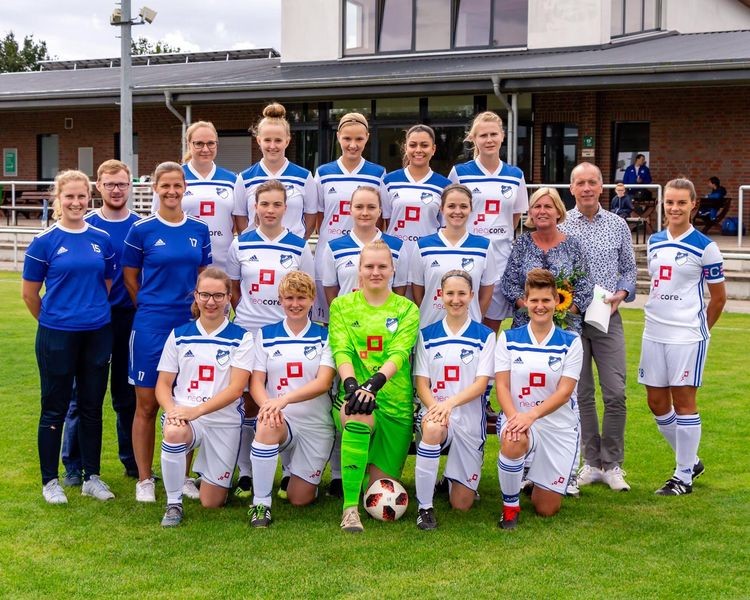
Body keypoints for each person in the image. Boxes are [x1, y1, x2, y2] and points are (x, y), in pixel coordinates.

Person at [22, 169, 116, 504]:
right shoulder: (43, 242)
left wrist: (87, 313)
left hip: (97, 333)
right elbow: (30, 294)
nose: (76, 202)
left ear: (89, 197)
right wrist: (56, 320)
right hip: (57, 336)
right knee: (54, 408)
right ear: (58, 199)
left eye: (81, 196)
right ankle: (50, 481)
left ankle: (92, 477)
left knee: (92, 407)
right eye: (69, 196)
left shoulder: (102, 239)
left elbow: (106, 284)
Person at [122, 161, 212, 503]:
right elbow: (130, 278)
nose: (172, 191)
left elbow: (203, 275)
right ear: (155, 188)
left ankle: (184, 476)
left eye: (177, 185)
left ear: (185, 188)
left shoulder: (199, 229)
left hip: (188, 325)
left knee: (186, 401)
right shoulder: (141, 230)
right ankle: (145, 478)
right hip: (151, 326)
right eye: (166, 186)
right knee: (146, 405)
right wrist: (149, 306)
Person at [226, 178, 314, 499]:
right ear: (255, 207)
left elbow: (305, 290)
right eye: (264, 204)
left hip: (285, 333)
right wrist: (251, 318)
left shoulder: (299, 245)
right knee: (248, 402)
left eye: (277, 204)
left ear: (286, 208)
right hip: (249, 332)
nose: (270, 210)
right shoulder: (240, 244)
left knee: (285, 398)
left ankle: (289, 472)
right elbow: (235, 290)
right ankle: (246, 472)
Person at [639, 178, 726, 496]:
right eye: (670, 202)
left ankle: (683, 476)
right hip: (653, 331)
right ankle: (692, 461)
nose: (674, 208)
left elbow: (718, 298)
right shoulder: (655, 241)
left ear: (693, 205)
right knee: (656, 402)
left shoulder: (706, 247)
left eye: (681, 203)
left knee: (684, 402)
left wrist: (699, 331)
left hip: (686, 336)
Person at [328, 240, 420, 533]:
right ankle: (349, 511)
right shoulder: (342, 306)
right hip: (354, 397)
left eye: (382, 266)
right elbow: (341, 350)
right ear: (360, 269)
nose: (375, 272)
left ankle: (361, 477)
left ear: (393, 269)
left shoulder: (407, 309)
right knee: (358, 413)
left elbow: (399, 353)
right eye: (369, 266)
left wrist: (373, 384)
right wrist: (352, 386)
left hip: (395, 405)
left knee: (378, 489)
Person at [559, 162, 637, 494]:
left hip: (607, 317)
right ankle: (591, 462)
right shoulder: (562, 224)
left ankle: (613, 464)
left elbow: (629, 270)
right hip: (572, 319)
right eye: (580, 183)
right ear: (572, 188)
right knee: (582, 393)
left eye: (592, 182)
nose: (587, 188)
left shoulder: (617, 224)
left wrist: (622, 293)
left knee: (615, 391)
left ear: (602, 187)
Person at [155, 268, 254, 526]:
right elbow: (163, 385)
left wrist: (196, 411)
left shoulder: (242, 338)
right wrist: (173, 410)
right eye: (205, 295)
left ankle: (207, 474)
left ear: (229, 298)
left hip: (223, 420)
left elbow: (236, 389)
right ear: (196, 296)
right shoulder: (179, 334)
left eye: (218, 295)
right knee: (174, 431)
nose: (211, 302)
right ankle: (173, 503)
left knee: (212, 502)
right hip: (187, 416)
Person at [63, 161, 141, 484]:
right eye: (110, 184)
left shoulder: (141, 226)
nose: (116, 190)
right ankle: (74, 466)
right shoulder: (86, 225)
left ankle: (133, 462)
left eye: (122, 184)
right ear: (99, 186)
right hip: (92, 321)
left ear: (130, 185)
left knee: (127, 396)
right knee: (82, 396)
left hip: (128, 320)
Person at [495, 268, 583, 529]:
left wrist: (531, 416)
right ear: (525, 302)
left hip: (558, 427)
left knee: (546, 509)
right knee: (514, 438)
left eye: (546, 300)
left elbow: (564, 392)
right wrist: (515, 418)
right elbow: (502, 385)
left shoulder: (571, 342)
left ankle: (534, 478)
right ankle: (510, 507)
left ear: (556, 301)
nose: (540, 306)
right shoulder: (509, 338)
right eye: (534, 300)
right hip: (519, 418)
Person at [248, 272, 336, 527]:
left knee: (299, 499)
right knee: (267, 423)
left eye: (301, 298)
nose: (295, 304)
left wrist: (283, 400)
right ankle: (261, 504)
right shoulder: (265, 334)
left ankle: (299, 475)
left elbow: (323, 382)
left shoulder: (325, 336)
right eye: (289, 298)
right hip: (280, 420)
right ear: (280, 300)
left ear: (312, 299)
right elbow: (256, 382)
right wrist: (268, 406)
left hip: (315, 424)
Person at [413, 270, 495, 530]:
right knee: (433, 428)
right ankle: (424, 508)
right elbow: (421, 383)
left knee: (462, 505)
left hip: (469, 420)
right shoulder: (427, 334)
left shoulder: (485, 336)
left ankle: (450, 480)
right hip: (435, 413)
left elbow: (480, 385)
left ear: (471, 295)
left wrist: (448, 404)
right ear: (441, 295)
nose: (455, 299)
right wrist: (436, 408)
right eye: (450, 293)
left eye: (461, 293)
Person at [448, 111, 529, 332]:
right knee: (461, 318)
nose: (489, 140)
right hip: (466, 254)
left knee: (491, 324)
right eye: (483, 135)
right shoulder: (460, 173)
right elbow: (449, 213)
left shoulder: (515, 175)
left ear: (502, 136)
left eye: (494, 134)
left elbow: (514, 216)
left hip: (501, 257)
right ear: (473, 139)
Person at [313, 112, 387, 324]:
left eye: (359, 139)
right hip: (331, 253)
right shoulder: (323, 172)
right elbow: (319, 215)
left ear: (367, 138)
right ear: (338, 137)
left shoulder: (378, 173)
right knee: (332, 319)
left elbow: (381, 217)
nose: (353, 145)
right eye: (347, 138)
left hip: (368, 254)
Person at [501, 187, 593, 334]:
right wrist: (532, 309)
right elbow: (509, 284)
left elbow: (585, 286)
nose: (542, 211)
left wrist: (561, 314)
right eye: (537, 206)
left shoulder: (573, 245)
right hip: (526, 326)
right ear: (531, 213)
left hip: (565, 328)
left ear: (559, 212)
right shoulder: (522, 244)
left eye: (548, 206)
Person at [152, 121, 241, 270]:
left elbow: (238, 223)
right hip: (182, 261)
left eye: (211, 143)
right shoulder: (173, 177)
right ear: (189, 144)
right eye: (199, 143)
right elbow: (157, 221)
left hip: (223, 264)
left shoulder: (232, 179)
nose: (205, 149)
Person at [411, 183, 496, 329]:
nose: (457, 211)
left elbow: (486, 295)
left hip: (469, 332)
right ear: (441, 208)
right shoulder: (423, 246)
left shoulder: (484, 246)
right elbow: (418, 293)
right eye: (451, 206)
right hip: (430, 329)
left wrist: (473, 320)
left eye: (463, 206)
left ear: (471, 209)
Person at [235, 103, 317, 239]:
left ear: (287, 141)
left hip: (291, 249)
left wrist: (295, 243)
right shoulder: (245, 178)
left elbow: (311, 219)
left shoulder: (304, 177)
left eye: (278, 140)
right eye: (267, 140)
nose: (272, 146)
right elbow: (240, 220)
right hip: (255, 249)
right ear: (259, 141)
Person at [322, 185, 408, 304]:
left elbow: (399, 290)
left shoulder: (396, 247)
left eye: (371, 207)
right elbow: (330, 291)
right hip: (348, 315)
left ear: (379, 211)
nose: (365, 213)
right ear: (350, 210)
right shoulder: (334, 248)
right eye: (359, 207)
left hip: (384, 315)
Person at [383, 124, 451, 267]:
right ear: (405, 148)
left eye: (424, 145)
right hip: (394, 257)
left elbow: (445, 227)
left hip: (429, 257)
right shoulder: (388, 181)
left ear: (433, 149)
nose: (418, 150)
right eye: (413, 145)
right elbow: (385, 223)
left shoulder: (444, 185)